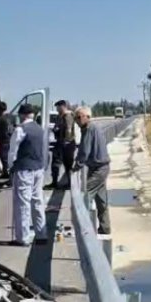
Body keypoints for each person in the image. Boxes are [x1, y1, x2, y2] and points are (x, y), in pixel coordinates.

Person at [8, 103, 48, 246]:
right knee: (37, 201)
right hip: (38, 168)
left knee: (23, 204)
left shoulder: (20, 129)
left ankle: (23, 238)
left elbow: (13, 151)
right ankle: (41, 234)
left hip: (24, 169)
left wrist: (10, 167)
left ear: (22, 115)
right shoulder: (40, 129)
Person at [72, 105, 111, 235]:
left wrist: (77, 166)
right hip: (99, 167)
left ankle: (85, 228)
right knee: (101, 200)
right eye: (76, 118)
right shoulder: (93, 128)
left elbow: (84, 150)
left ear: (87, 117)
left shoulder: (89, 129)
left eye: (79, 117)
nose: (77, 121)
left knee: (85, 196)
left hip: (99, 168)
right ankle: (105, 228)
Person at [49, 100, 80, 189]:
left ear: (63, 106)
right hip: (60, 143)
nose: (57, 109)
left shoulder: (68, 116)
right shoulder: (60, 116)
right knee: (56, 163)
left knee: (68, 165)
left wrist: (66, 141)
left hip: (67, 144)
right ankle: (55, 182)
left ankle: (70, 184)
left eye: (58, 107)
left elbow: (69, 129)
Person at [0, 101, 15, 180]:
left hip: (4, 141)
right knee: (6, 158)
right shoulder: (9, 118)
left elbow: (1, 132)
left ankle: (8, 174)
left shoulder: (0, 119)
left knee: (4, 158)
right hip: (9, 139)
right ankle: (5, 173)